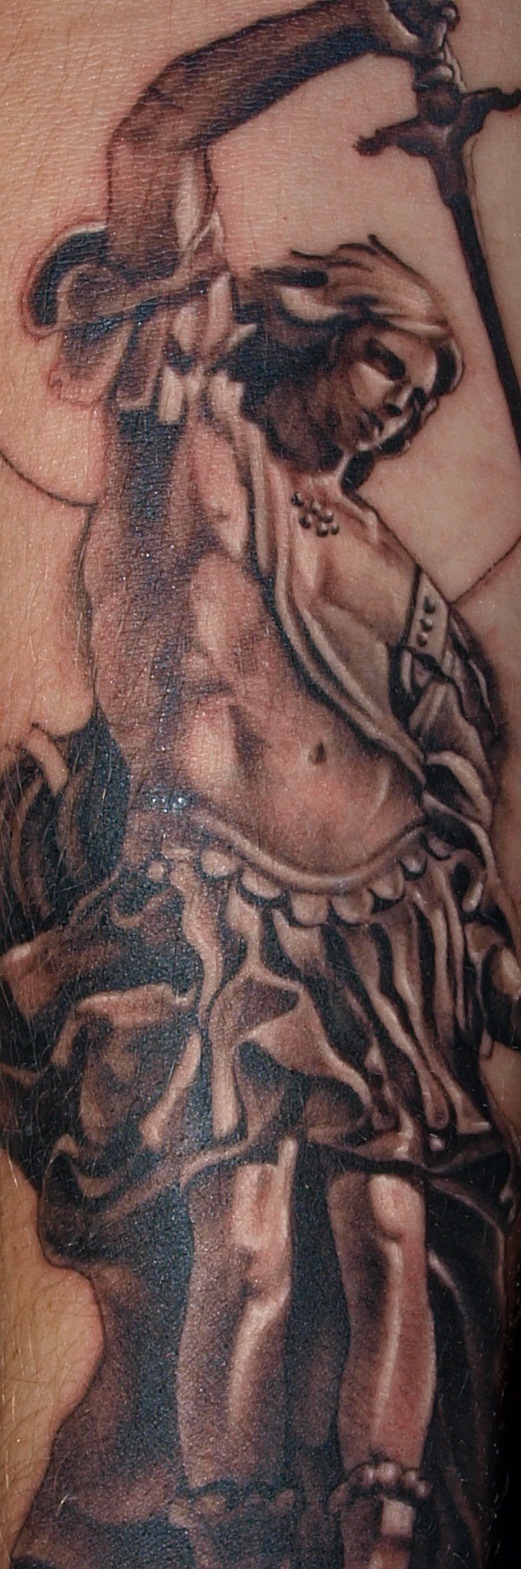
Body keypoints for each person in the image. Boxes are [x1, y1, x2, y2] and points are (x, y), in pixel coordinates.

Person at [0, 3, 520, 1568]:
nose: (398, 413)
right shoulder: (185, 439)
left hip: (387, 921)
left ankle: (382, 1530)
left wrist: (477, 931)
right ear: (310, 326)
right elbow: (159, 125)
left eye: (419, 398)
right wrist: (355, 22)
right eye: (386, 370)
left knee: (387, 1236)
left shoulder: (371, 556)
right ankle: (225, 1535)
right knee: (233, 1243)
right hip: (217, 905)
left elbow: (456, 753)